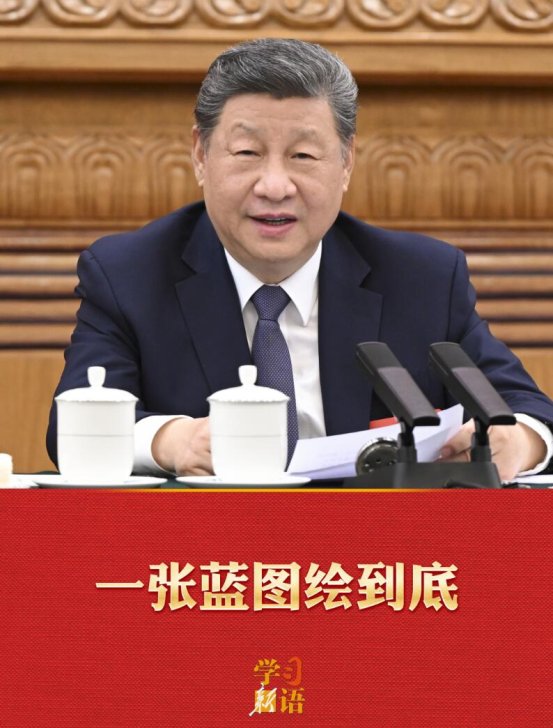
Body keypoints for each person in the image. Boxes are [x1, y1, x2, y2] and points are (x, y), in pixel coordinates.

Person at [47, 38, 553, 482]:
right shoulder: (129, 274)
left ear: (346, 163)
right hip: (207, 546)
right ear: (200, 155)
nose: (274, 186)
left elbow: (530, 413)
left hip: (376, 545)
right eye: (247, 153)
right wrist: (170, 442)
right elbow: (70, 429)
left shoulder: (422, 278)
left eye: (303, 156)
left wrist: (518, 443)